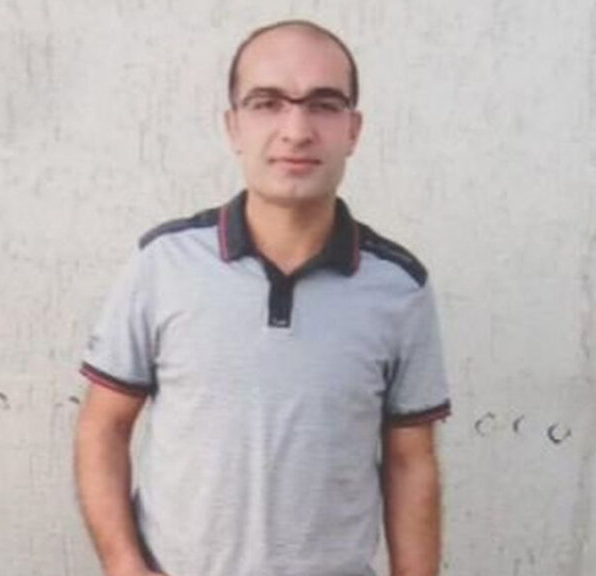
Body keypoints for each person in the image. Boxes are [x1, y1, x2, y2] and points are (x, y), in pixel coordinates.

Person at [74, 19, 452, 576]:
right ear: (234, 126)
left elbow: (409, 462)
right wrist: (125, 565)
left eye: (324, 105)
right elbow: (103, 427)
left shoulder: (399, 288)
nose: (296, 130)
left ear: (353, 129)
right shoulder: (164, 265)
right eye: (267, 103)